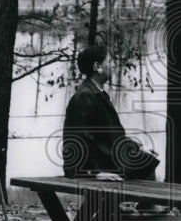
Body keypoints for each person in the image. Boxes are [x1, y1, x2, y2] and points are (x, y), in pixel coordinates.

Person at [62, 44, 158, 181]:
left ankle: (110, 202)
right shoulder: (85, 96)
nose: (113, 65)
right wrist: (96, 173)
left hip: (106, 160)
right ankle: (111, 202)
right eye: (110, 61)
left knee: (145, 160)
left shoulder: (98, 94)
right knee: (145, 164)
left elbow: (112, 137)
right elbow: (80, 139)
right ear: (97, 67)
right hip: (89, 168)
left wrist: (137, 147)